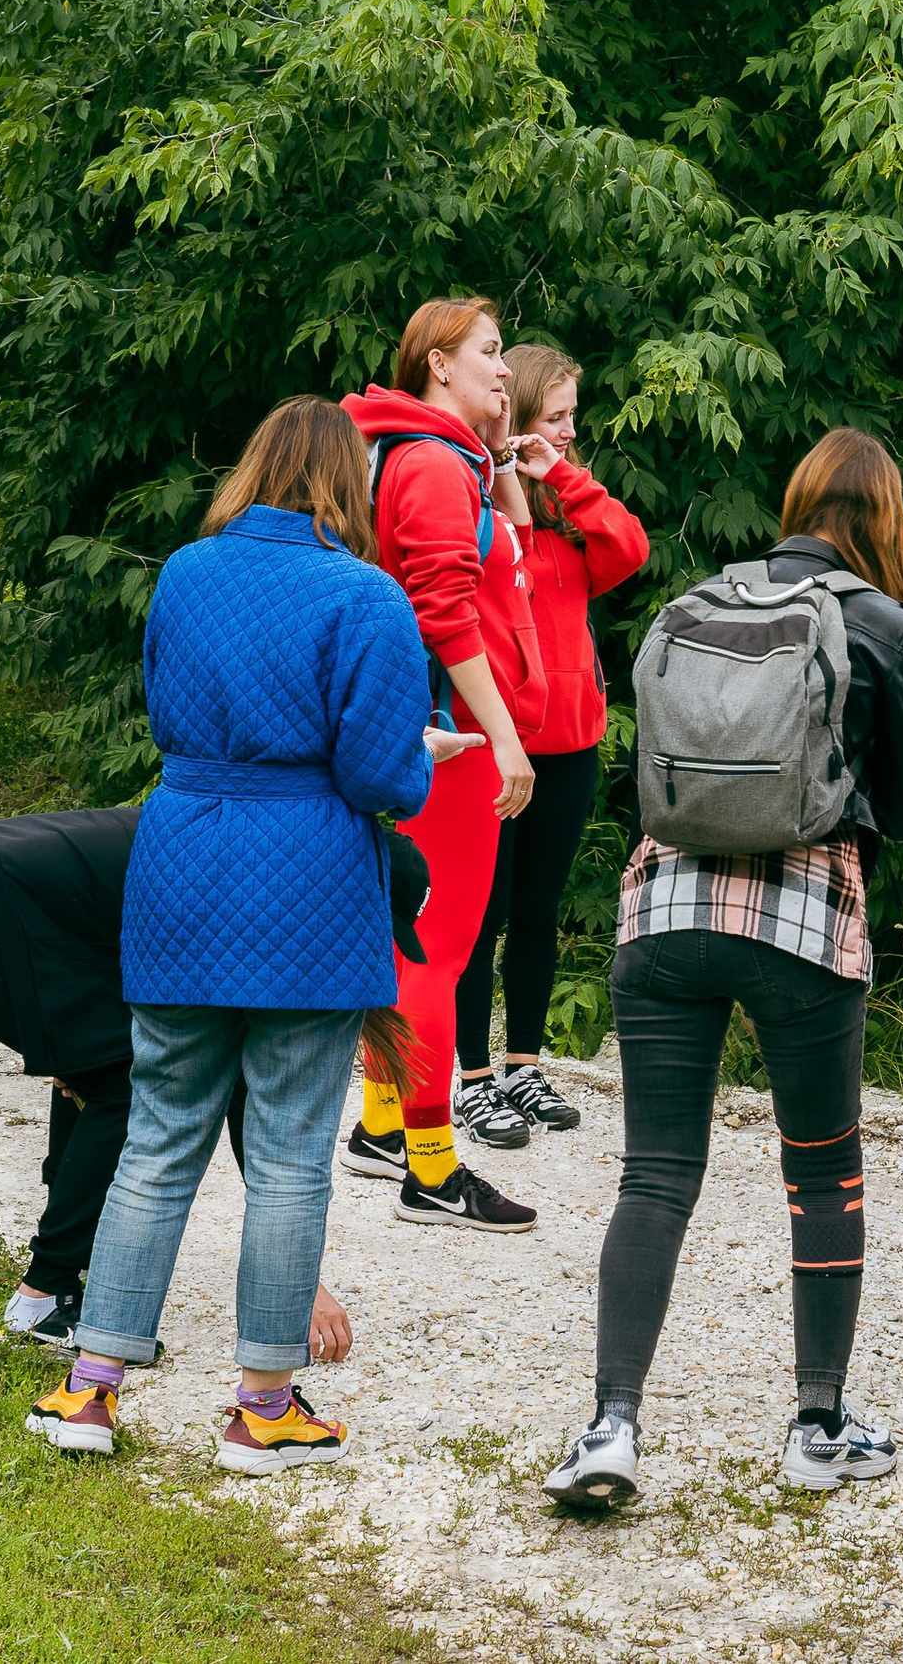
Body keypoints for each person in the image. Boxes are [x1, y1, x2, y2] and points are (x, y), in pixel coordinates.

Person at [25, 397, 446, 1476]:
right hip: (305, 878)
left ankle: (87, 1389)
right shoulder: (366, 595)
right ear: (348, 484)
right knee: (295, 1153)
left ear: (255, 469)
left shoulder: (184, 573)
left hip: (183, 860)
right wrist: (422, 753)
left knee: (159, 1137)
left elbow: (168, 708)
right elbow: (377, 776)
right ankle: (263, 1407)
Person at [543, 427, 903, 1511]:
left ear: (797, 501)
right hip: (804, 921)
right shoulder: (884, 624)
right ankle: (817, 1428)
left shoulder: (703, 601)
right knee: (821, 1174)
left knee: (656, 1173)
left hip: (663, 909)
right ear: (884, 520)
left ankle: (611, 1427)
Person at [0, 809, 455, 1360]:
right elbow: (255, 1106)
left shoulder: (271, 861)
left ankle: (69, 1265)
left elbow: (243, 1092)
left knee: (108, 1070)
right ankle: (43, 1294)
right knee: (128, 1086)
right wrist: (298, 1285)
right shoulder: (261, 902)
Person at [339, 299, 559, 1212]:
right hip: (451, 737)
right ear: (438, 362)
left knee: (420, 933)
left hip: (441, 729)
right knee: (437, 943)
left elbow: (508, 554)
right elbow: (441, 609)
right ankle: (431, 1169)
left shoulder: (447, 456)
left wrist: (502, 454)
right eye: (491, 353)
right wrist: (503, 737)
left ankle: (382, 1124)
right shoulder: (431, 463)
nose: (506, 370)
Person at [453, 344, 649, 1133]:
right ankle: (469, 1073)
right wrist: (502, 473)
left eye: (573, 417)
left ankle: (523, 1067)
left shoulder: (569, 520)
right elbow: (487, 580)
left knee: (538, 912)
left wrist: (557, 473)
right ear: (516, 416)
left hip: (569, 746)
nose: (570, 430)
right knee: (480, 911)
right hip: (496, 745)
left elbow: (630, 550)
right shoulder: (483, 516)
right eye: (555, 417)